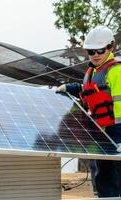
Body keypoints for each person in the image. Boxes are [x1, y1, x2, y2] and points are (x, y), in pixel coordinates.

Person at [56, 25, 121, 197]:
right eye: (91, 51)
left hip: (117, 135)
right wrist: (70, 87)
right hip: (101, 135)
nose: (95, 55)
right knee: (103, 179)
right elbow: (89, 92)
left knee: (117, 179)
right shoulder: (92, 71)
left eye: (100, 50)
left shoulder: (117, 71)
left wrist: (120, 137)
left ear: (110, 47)